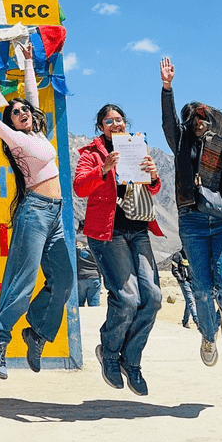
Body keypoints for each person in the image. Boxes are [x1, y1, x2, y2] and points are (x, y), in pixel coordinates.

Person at [0, 44, 73, 379]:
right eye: (14, 112)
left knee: (64, 279)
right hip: (35, 213)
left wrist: (29, 61)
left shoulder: (39, 133)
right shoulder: (15, 139)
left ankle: (37, 332)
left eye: (23, 110)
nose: (21, 113)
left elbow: (32, 95)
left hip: (56, 214)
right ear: (11, 121)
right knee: (24, 281)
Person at [160, 56, 222, 367]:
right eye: (193, 118)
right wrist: (167, 88)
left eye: (204, 117)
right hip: (192, 223)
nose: (199, 122)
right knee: (200, 286)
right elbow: (168, 122)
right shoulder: (180, 144)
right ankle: (208, 336)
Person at [73, 104, 162, 397]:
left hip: (138, 229)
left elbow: (152, 189)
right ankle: (110, 354)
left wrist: (152, 174)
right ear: (101, 127)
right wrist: (104, 168)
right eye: (108, 121)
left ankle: (131, 361)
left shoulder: (138, 147)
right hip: (106, 233)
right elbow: (80, 188)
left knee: (153, 297)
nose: (115, 124)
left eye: (119, 119)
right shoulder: (91, 154)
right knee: (127, 298)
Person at [76, 221, 102, 307]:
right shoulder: (96, 239)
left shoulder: (74, 239)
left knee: (79, 307)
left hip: (79, 277)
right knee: (94, 306)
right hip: (95, 276)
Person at [171, 249, 199, 328]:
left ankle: (185, 321)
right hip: (184, 282)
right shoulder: (178, 255)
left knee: (189, 302)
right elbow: (174, 269)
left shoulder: (192, 255)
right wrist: (181, 279)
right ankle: (197, 320)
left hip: (192, 281)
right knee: (191, 301)